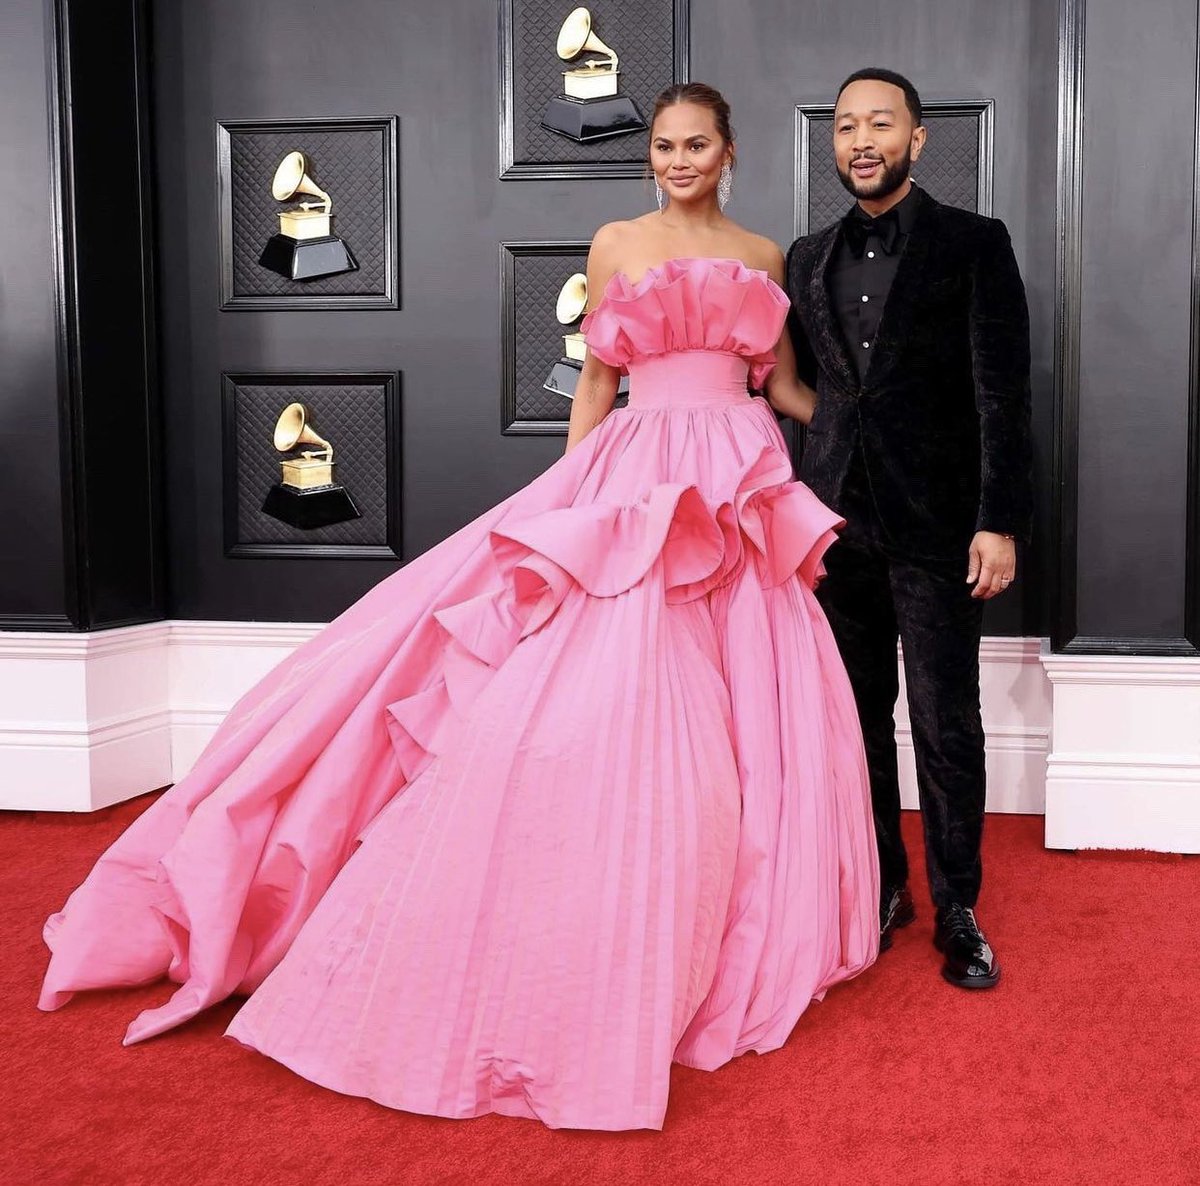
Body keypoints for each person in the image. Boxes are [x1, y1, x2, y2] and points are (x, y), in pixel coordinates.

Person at [38, 83, 878, 1132]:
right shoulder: (615, 241)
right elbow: (594, 388)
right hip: (637, 481)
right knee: (604, 701)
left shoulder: (764, 256)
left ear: (730, 151)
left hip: (738, 479)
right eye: (662, 144)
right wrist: (571, 499)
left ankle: (718, 900)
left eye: (695, 144)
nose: (676, 158)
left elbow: (786, 387)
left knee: (752, 697)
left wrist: (876, 405)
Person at [785, 68, 1034, 990]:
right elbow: (805, 396)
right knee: (853, 721)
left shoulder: (974, 242)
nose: (861, 139)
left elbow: (1003, 393)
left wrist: (997, 522)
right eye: (846, 125)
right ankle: (884, 886)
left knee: (944, 720)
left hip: (938, 525)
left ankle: (957, 905)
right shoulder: (806, 257)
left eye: (880, 124)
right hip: (836, 525)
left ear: (916, 139)